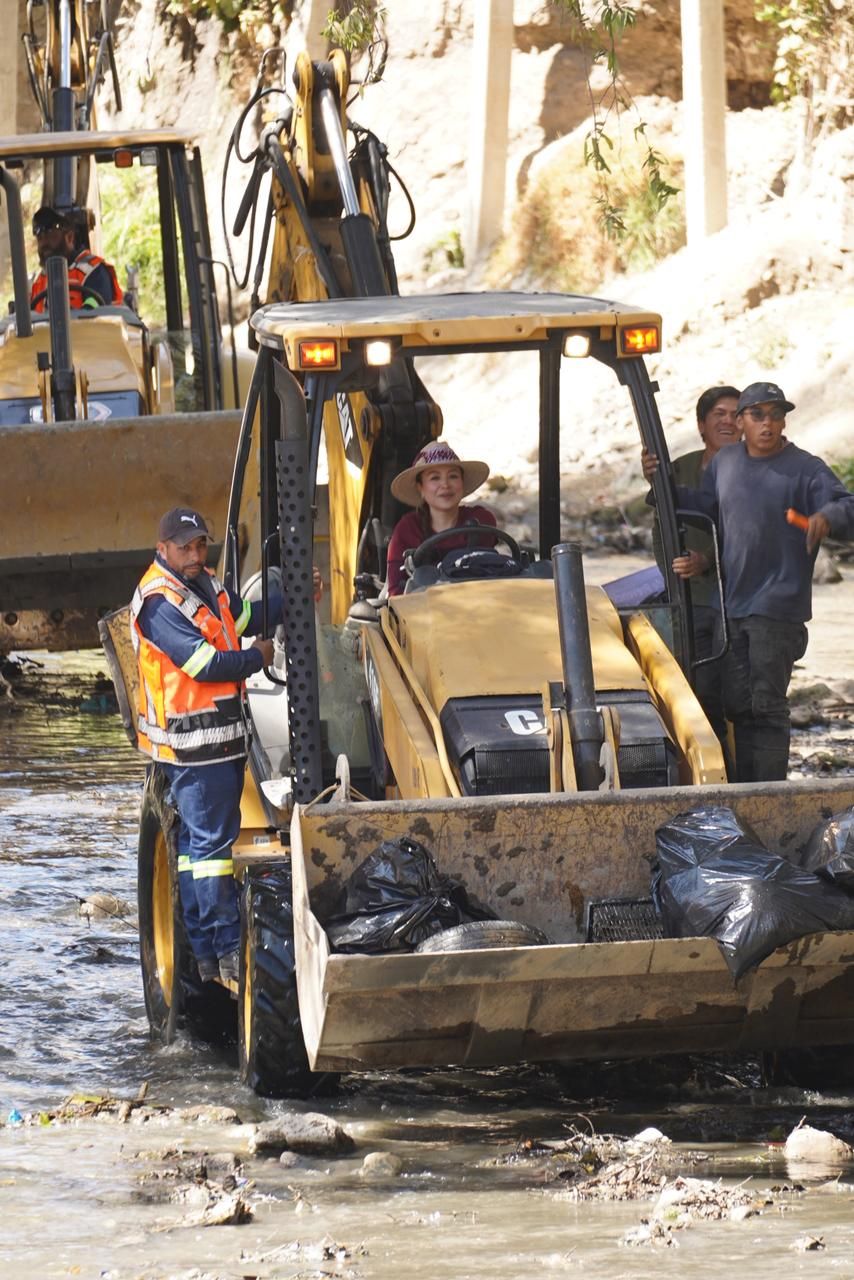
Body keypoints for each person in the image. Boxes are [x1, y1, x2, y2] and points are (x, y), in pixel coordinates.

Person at [659, 381, 854, 783]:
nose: (768, 424)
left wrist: (826, 518)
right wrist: (660, 485)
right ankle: (743, 795)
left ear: (784, 422)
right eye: (758, 415)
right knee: (736, 707)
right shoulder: (725, 462)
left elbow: (846, 504)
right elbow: (709, 508)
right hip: (731, 606)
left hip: (777, 608)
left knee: (766, 708)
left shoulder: (805, 467)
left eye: (776, 415)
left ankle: (769, 799)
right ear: (741, 421)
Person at [130, 507, 278, 985]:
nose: (195, 555)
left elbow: (245, 614)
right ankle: (227, 947)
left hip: (219, 742)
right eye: (185, 547)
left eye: (200, 545)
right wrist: (255, 658)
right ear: (163, 548)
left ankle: (206, 954)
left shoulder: (207, 584)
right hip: (194, 747)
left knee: (199, 848)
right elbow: (204, 664)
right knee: (212, 849)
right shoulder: (158, 602)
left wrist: (291, 598)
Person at [642, 385, 741, 763]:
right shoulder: (681, 468)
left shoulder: (751, 471)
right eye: (719, 414)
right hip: (689, 598)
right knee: (691, 688)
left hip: (734, 597)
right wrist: (673, 571)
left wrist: (708, 560)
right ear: (702, 425)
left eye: (735, 414)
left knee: (725, 691)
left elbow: (751, 533)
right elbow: (661, 523)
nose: (728, 422)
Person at [386, 441, 496, 595]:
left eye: (453, 476)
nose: (445, 484)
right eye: (435, 478)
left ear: (462, 483)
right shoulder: (407, 530)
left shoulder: (481, 520)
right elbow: (396, 594)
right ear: (420, 488)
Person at [30, 205, 122, 312]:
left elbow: (95, 311)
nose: (44, 242)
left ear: (69, 237)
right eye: (40, 237)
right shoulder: (40, 281)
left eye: (51, 234)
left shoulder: (93, 271)